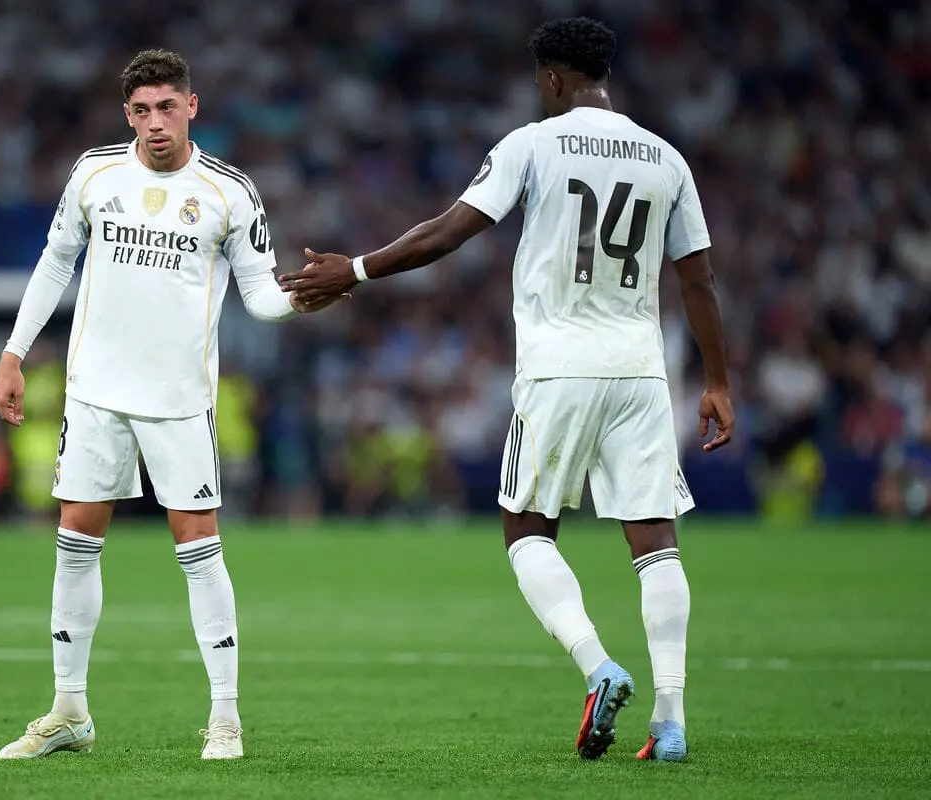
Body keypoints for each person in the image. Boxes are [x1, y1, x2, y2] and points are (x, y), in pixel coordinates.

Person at [280, 17, 734, 763]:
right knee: (654, 541)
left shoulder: (533, 143)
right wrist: (716, 380)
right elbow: (699, 279)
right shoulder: (666, 159)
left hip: (560, 367)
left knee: (526, 530)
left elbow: (447, 232)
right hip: (642, 371)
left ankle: (598, 665)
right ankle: (671, 720)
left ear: (553, 79)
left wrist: (354, 270)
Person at [0, 48, 336, 762]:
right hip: (93, 391)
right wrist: (15, 352)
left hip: (179, 399)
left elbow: (260, 295)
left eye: (167, 107)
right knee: (75, 542)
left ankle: (227, 719)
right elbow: (56, 261)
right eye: (142, 111)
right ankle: (68, 711)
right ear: (128, 115)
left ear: (192, 106)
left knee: (199, 549)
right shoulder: (93, 173)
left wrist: (304, 297)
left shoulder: (229, 192)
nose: (155, 123)